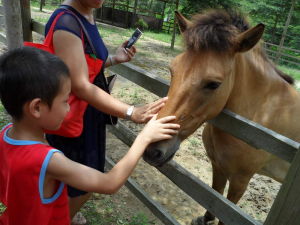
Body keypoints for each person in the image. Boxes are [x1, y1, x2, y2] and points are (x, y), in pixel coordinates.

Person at [0, 47, 179, 225]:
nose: (69, 108)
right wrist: (144, 138)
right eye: (65, 101)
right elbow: (109, 183)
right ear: (37, 108)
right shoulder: (48, 160)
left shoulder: (5, 134)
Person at [44, 1, 168, 223]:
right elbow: (80, 85)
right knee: (82, 184)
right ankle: (61, 218)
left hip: (88, 116)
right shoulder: (67, 22)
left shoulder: (86, 14)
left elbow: (84, 66)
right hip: (72, 119)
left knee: (81, 180)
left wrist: (114, 59)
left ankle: (65, 214)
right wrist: (131, 111)